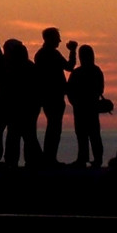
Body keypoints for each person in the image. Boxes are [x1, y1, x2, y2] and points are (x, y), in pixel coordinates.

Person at [0, 39, 40, 168]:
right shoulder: (28, 66)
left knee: (9, 133)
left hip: (10, 104)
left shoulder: (3, 64)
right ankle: (14, 160)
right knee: (13, 133)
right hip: (13, 105)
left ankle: (8, 160)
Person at [33, 28, 70, 165]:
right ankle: (49, 158)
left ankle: (49, 157)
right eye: (57, 38)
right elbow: (69, 67)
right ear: (50, 39)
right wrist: (73, 51)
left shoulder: (41, 54)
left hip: (47, 95)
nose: (59, 40)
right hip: (53, 96)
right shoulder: (52, 54)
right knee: (54, 128)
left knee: (53, 127)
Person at [68, 44, 106, 168]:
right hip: (88, 106)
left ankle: (84, 158)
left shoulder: (78, 72)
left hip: (82, 107)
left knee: (84, 134)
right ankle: (95, 159)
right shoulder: (96, 71)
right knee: (92, 134)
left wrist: (75, 101)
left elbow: (70, 90)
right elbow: (100, 89)